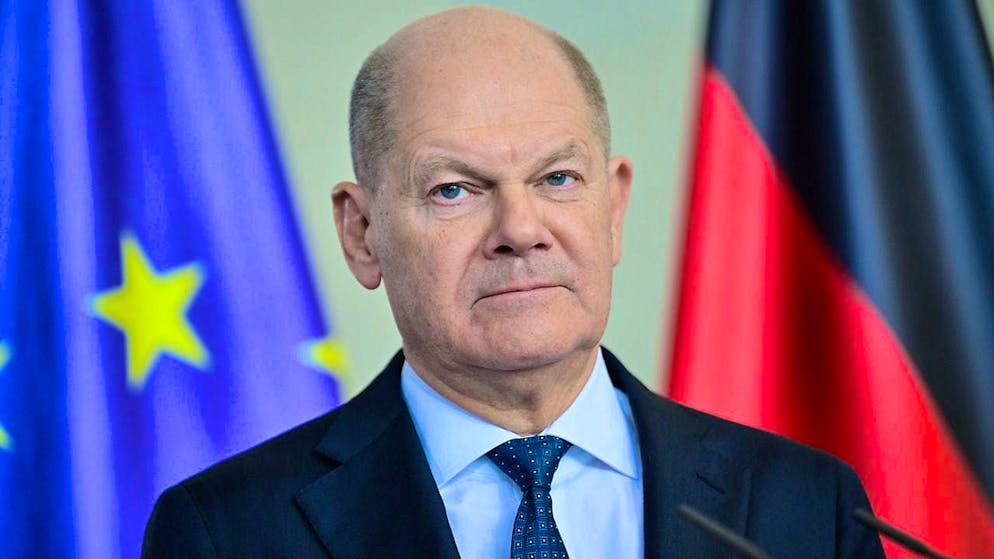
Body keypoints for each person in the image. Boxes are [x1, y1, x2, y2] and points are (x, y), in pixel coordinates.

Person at [142, 7, 885, 558]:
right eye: (454, 190)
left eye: (558, 178)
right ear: (361, 232)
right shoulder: (226, 533)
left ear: (614, 206)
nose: (521, 228)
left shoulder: (811, 511)